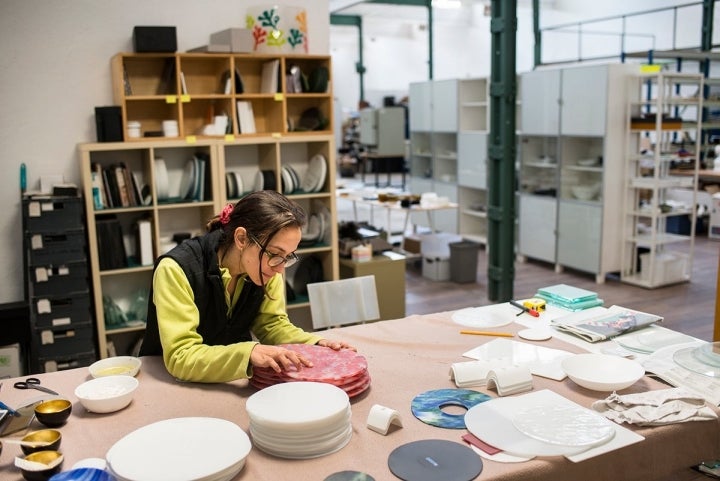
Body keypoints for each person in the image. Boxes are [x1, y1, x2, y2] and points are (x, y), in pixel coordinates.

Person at [140, 190, 355, 382]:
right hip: (169, 384)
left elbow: (272, 326)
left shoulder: (266, 267)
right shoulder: (176, 269)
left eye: (288, 256)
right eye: (275, 254)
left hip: (229, 380)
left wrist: (315, 344)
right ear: (241, 238)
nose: (281, 269)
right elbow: (181, 357)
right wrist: (249, 353)